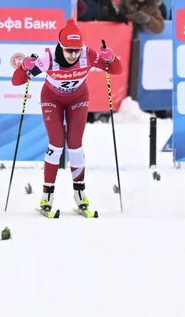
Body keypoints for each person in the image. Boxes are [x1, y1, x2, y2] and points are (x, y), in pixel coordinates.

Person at [11, 18, 122, 217]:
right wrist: (25, 67)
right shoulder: (47, 59)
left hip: (78, 98)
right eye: (69, 50)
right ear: (60, 46)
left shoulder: (88, 55)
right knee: (56, 144)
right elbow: (17, 81)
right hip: (52, 99)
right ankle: (47, 196)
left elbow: (115, 70)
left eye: (76, 50)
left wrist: (111, 58)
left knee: (75, 145)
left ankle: (80, 195)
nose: (73, 54)